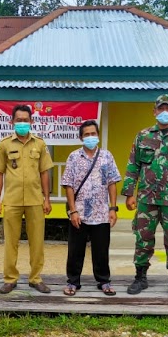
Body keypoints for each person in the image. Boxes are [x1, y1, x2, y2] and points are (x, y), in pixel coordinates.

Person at [121, 94, 168, 299]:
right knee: (142, 239)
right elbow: (133, 165)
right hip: (146, 199)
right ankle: (140, 277)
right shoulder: (143, 135)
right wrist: (129, 193)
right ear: (154, 111)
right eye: (160, 108)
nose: (165, 112)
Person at [0, 104, 54, 294]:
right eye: (18, 120)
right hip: (12, 200)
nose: (22, 123)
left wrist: (47, 199)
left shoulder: (40, 144)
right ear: (12, 121)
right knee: (11, 241)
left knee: (37, 242)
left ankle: (36, 278)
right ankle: (10, 279)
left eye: (26, 120)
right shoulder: (4, 144)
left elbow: (44, 172)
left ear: (31, 121)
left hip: (35, 200)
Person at [60, 120, 121, 296]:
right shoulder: (73, 157)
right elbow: (68, 185)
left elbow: (112, 183)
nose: (90, 137)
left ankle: (104, 281)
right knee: (75, 250)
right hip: (79, 213)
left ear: (98, 135)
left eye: (93, 133)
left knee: (101, 250)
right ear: (81, 137)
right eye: (86, 134)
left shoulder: (107, 156)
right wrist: (73, 211)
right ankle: (73, 282)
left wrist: (113, 208)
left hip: (101, 213)